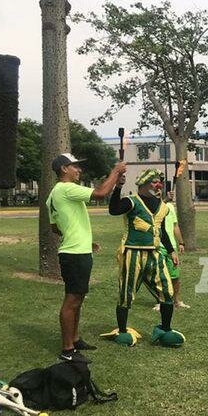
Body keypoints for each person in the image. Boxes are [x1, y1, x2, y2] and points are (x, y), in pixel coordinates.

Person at [46, 153, 127, 362]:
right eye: (75, 166)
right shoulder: (66, 188)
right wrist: (116, 171)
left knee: (78, 297)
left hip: (76, 250)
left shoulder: (53, 195)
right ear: (64, 169)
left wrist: (82, 239)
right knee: (72, 300)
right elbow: (100, 193)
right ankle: (68, 350)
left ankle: (75, 339)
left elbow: (55, 226)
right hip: (74, 254)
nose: (78, 170)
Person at [107, 169, 184, 348]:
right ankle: (123, 331)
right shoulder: (131, 202)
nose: (158, 185)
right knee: (126, 293)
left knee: (167, 291)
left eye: (160, 182)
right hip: (132, 253)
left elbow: (163, 231)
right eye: (155, 181)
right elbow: (113, 210)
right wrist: (118, 186)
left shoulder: (163, 206)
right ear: (143, 183)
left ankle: (165, 329)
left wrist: (172, 250)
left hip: (155, 253)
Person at [155, 190, 189, 310]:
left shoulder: (169, 207)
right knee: (160, 276)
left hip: (171, 247)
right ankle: (160, 301)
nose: (157, 193)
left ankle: (177, 301)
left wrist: (181, 242)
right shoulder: (150, 208)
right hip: (157, 246)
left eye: (159, 192)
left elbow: (175, 226)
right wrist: (165, 199)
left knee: (175, 276)